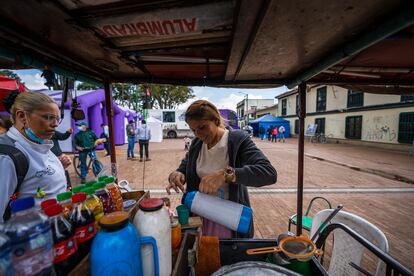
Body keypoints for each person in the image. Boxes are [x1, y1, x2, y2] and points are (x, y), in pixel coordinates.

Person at [166, 100, 277, 238]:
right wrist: (178, 173)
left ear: (216, 120)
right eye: (193, 130)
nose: (199, 134)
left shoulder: (237, 140)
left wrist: (227, 175)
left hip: (228, 218)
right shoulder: (196, 144)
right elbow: (186, 164)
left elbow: (268, 173)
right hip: (199, 214)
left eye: (203, 127)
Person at [0, 92, 68, 222]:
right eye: (48, 117)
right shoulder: (7, 156)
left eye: (57, 119)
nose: (55, 124)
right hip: (32, 238)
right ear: (22, 117)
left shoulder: (40, 144)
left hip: (56, 231)